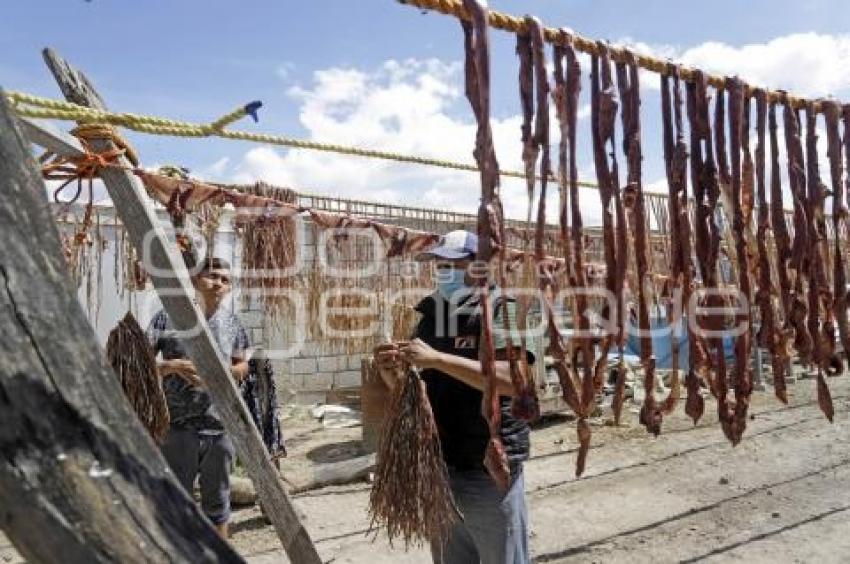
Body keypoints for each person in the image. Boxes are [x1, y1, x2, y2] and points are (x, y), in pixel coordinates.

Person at [375, 229, 534, 564]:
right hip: (442, 471)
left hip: (489, 471)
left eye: (454, 264)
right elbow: (413, 392)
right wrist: (392, 373)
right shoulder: (431, 315)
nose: (445, 272)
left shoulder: (501, 310)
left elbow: (513, 381)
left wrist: (437, 358)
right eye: (440, 265)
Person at [146, 257, 250, 537]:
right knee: (176, 502)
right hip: (177, 428)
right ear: (194, 280)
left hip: (220, 427)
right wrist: (171, 366)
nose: (218, 283)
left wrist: (227, 372)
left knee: (218, 504)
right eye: (212, 276)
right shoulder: (167, 318)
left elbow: (243, 364)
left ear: (229, 289)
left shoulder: (232, 324)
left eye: (225, 280)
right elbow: (140, 361)